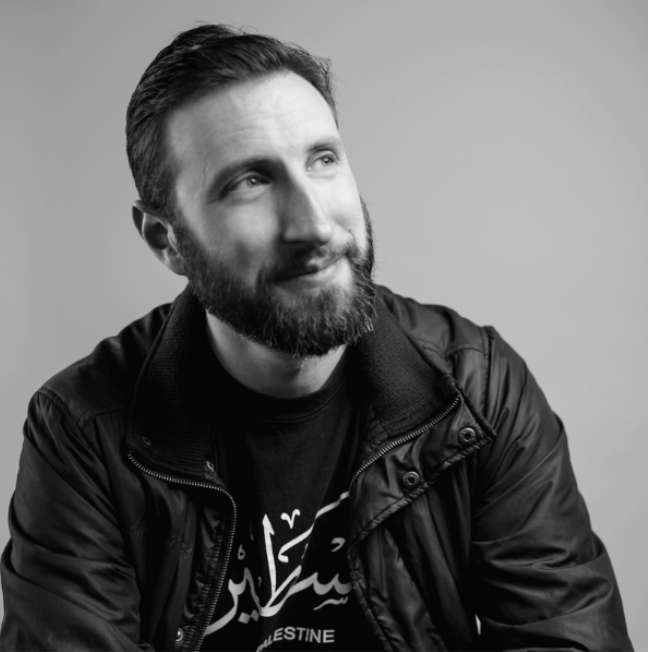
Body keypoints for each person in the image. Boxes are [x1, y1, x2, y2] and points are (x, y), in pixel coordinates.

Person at [0, 24, 632, 652]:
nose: (315, 225)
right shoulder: (84, 431)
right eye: (250, 181)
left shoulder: (477, 390)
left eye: (323, 160)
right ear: (167, 241)